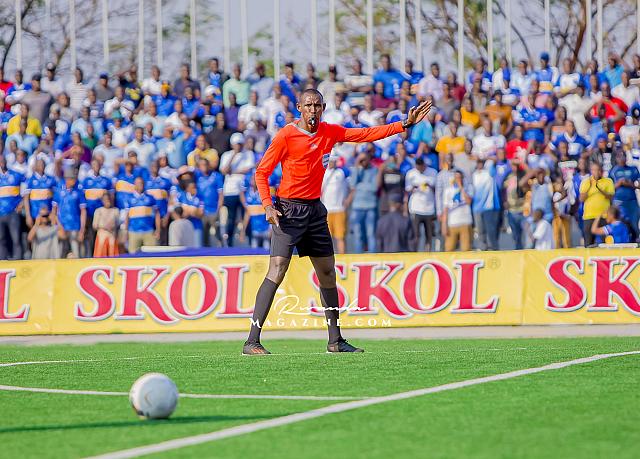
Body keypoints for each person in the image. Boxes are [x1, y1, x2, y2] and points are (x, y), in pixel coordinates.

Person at [244, 88, 432, 355]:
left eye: (317, 105)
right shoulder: (286, 135)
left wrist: (403, 124)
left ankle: (335, 340)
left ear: (323, 108)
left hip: (314, 211)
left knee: (327, 273)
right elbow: (262, 172)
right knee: (277, 269)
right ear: (299, 108)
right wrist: (267, 206)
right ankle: (251, 341)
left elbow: (365, 134)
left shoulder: (329, 132)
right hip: (288, 210)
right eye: (308, 105)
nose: (313, 110)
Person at [52, 168, 86, 258]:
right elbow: (54, 211)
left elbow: (83, 211)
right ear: (66, 179)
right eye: (72, 178)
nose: (74, 181)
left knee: (76, 253)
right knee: (59, 253)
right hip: (62, 226)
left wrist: (82, 230)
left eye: (75, 178)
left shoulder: (78, 192)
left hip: (75, 226)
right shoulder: (59, 191)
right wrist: (58, 226)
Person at [405, 157, 437, 251]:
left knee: (429, 234)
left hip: (429, 208)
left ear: (424, 165)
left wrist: (429, 185)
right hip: (415, 208)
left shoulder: (433, 172)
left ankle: (428, 252)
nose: (420, 170)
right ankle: (416, 253)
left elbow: (437, 190)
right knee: (416, 234)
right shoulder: (411, 173)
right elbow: (407, 190)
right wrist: (414, 187)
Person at [579, 162, 614, 247]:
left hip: (604, 216)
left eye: (598, 170)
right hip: (589, 216)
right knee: (588, 243)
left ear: (601, 171)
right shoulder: (586, 182)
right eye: (594, 170)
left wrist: (599, 188)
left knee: (605, 242)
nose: (596, 172)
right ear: (591, 171)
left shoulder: (608, 181)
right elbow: (581, 199)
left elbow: (610, 197)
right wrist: (590, 187)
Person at [124, 177, 160, 253]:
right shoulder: (129, 199)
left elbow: (157, 215)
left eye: (142, 183)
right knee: (133, 255)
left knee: (152, 255)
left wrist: (158, 230)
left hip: (149, 231)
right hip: (133, 232)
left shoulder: (150, 198)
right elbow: (127, 216)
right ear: (134, 185)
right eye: (138, 183)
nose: (140, 185)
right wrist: (126, 232)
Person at [321, 157, 349, 254]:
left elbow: (349, 186)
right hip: (327, 209)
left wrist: (347, 200)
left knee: (340, 236)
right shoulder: (323, 173)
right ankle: (328, 257)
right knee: (327, 237)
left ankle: (342, 256)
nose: (331, 163)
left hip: (339, 209)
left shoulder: (341, 173)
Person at [442, 169, 473, 252]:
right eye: (456, 178)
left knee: (466, 249)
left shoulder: (468, 188)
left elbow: (469, 201)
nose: (458, 179)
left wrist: (461, 187)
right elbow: (445, 209)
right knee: (449, 249)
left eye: (460, 177)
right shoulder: (448, 190)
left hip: (465, 222)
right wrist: (444, 225)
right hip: (452, 223)